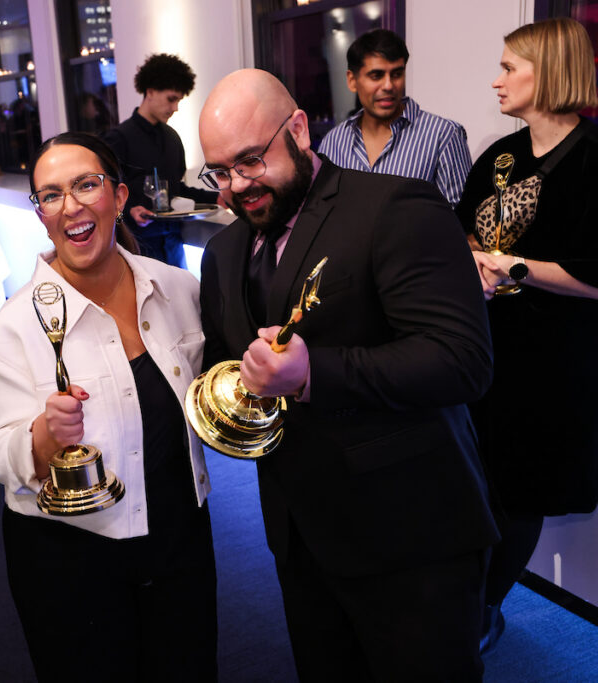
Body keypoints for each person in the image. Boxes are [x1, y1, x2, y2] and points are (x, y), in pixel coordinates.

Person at [197, 69, 498, 682]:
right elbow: (229, 362)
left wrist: (314, 373)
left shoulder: (396, 206)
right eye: (221, 172)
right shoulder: (223, 252)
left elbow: (462, 359)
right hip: (300, 535)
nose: (238, 186)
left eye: (251, 160)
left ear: (299, 129)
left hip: (411, 537)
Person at [0, 132, 216, 682]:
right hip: (70, 558)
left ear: (119, 195)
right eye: (51, 195)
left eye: (86, 185)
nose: (71, 206)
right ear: (41, 215)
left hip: (179, 536)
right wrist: (44, 434)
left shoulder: (178, 290)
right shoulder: (12, 331)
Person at [455, 17, 598, 653]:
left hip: (556, 365)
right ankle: (464, 605)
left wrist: (513, 266)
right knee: (476, 486)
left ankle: (483, 610)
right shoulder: (501, 154)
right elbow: (463, 229)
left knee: (521, 496)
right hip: (486, 352)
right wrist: (474, 261)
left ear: (549, 73)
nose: (497, 80)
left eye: (509, 68)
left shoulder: (597, 159)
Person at [317, 29, 472, 207]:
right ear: (352, 81)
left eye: (397, 74)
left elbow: (460, 217)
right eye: (376, 76)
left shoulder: (443, 135)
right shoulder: (333, 142)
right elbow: (323, 211)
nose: (388, 85)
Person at [103, 53, 218, 268]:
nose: (175, 108)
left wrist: (218, 198)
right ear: (150, 91)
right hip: (136, 248)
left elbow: (176, 190)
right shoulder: (119, 139)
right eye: (171, 99)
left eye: (178, 101)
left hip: (173, 245)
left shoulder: (173, 138)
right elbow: (106, 193)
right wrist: (129, 210)